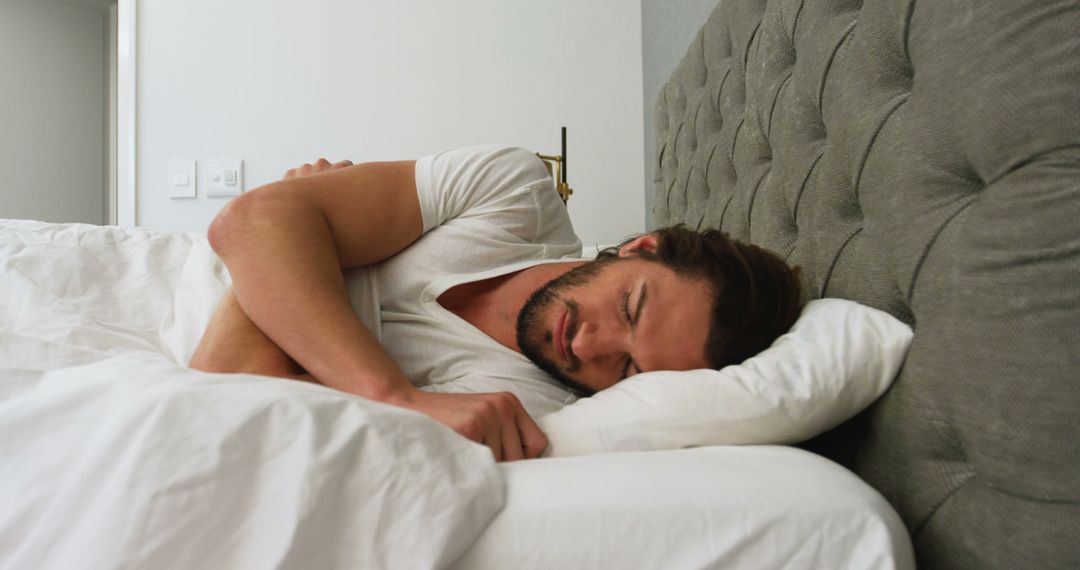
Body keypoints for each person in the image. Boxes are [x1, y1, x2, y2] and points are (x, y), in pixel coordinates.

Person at [190, 146, 802, 461]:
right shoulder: (512, 191)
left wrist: (292, 235)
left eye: (628, 369)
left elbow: (226, 398)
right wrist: (395, 396)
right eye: (629, 310)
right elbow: (248, 222)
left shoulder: (530, 406)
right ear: (640, 247)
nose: (588, 345)